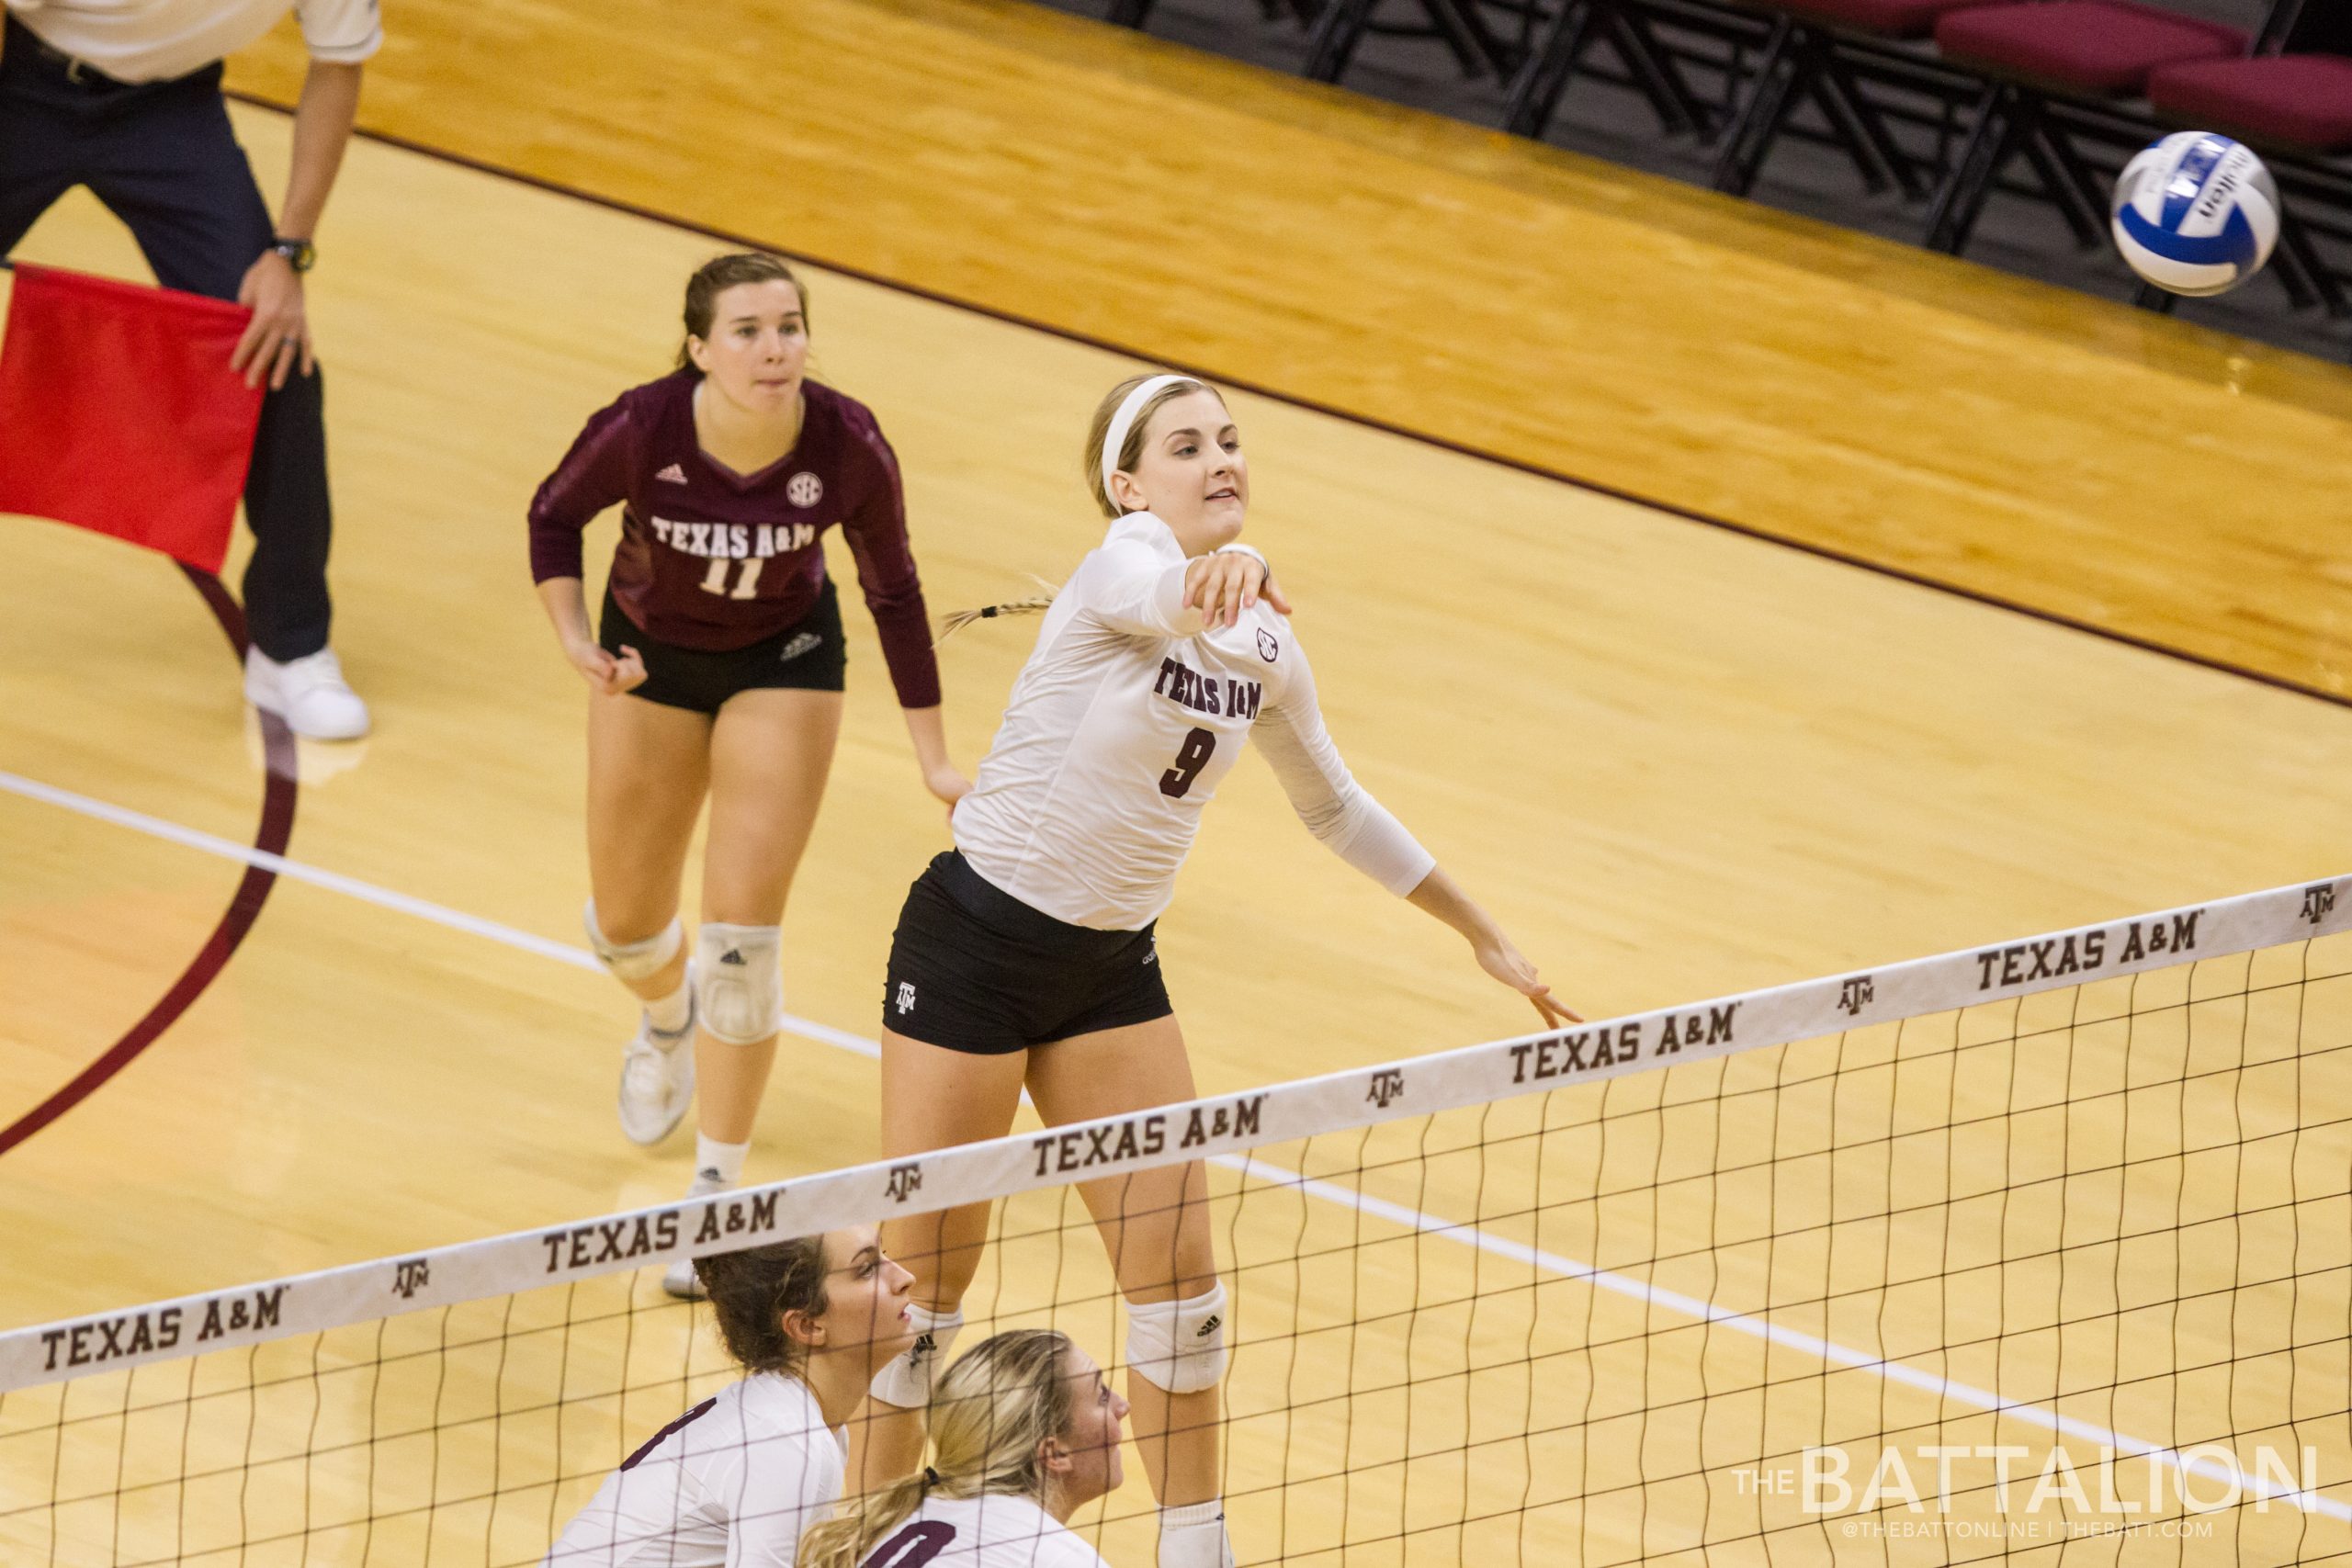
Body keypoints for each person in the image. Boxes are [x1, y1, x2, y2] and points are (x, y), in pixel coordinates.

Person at [857, 373, 1578, 1568]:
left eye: (1233, 440)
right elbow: (1155, 593)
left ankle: (1197, 1549)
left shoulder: (1266, 640)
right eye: (1186, 444)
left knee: (1182, 1295)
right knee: (921, 1297)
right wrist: (1209, 576)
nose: (1221, 457)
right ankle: (859, 1536)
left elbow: (1336, 805)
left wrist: (1479, 928)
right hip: (975, 945)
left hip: (1108, 975)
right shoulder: (1122, 567)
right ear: (1129, 482)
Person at [528, 253, 967, 1298]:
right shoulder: (643, 426)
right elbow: (552, 515)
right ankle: (664, 1014)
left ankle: (715, 1200)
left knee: (741, 943)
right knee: (625, 926)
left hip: (785, 665)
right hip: (650, 659)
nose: (774, 349)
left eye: (788, 327)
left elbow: (893, 589)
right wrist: (574, 644)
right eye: (747, 331)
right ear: (698, 349)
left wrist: (934, 754)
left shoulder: (844, 442)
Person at [0, 0, 376, 739]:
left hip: (166, 112)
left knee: (273, 349)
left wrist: (288, 254)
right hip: (19, 84)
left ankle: (290, 646)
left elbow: (338, 67)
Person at [545, 1226, 918, 1567]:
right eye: (867, 1269)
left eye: (884, 1255)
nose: (904, 1278)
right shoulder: (791, 1442)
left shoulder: (793, 1421)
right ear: (807, 1325)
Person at [801, 1329, 1128, 1568]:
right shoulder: (1055, 1557)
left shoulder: (898, 1519)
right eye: (1101, 1396)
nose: (1122, 1405)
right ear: (1055, 1454)